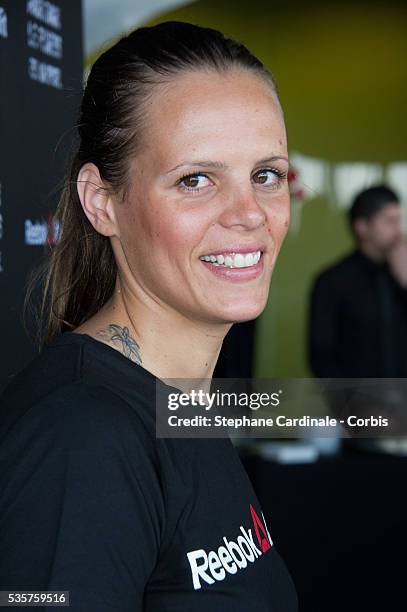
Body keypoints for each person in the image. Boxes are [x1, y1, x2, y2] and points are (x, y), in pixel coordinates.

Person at [0, 21, 298, 611]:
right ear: (102, 201)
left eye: (266, 175)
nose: (249, 215)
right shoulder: (83, 439)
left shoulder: (177, 404)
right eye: (196, 180)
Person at [309, 185, 407, 378]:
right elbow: (321, 358)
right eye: (390, 221)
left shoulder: (402, 273)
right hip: (357, 402)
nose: (399, 231)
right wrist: (350, 404)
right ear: (362, 227)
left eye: (399, 221)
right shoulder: (332, 281)